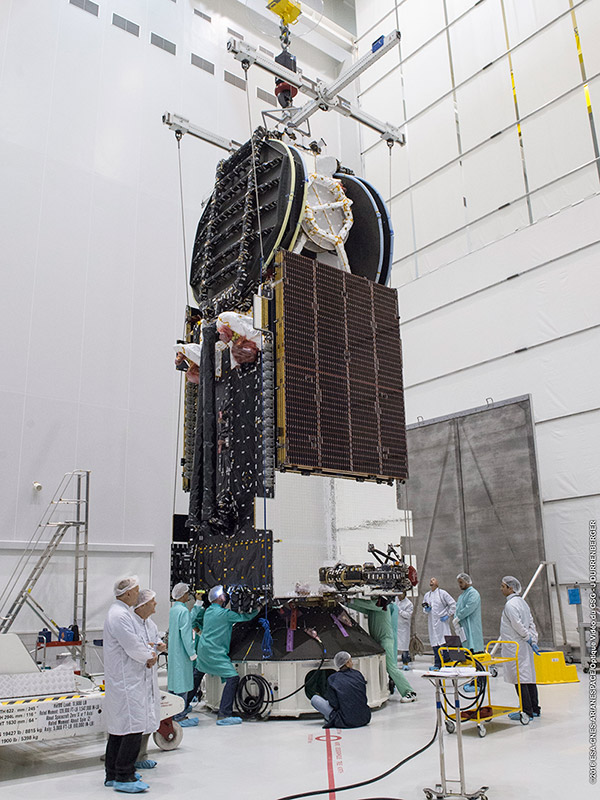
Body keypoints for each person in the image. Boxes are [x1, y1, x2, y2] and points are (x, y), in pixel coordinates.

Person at [103, 576, 156, 794]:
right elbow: (133, 645)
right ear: (127, 594)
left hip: (124, 680)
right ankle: (124, 775)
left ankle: (112, 773)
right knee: (133, 727)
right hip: (127, 682)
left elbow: (136, 641)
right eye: (136, 590)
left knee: (120, 729)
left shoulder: (120, 613)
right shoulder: (120, 615)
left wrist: (147, 650)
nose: (138, 594)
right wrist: (149, 656)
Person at [195, 585, 260, 725]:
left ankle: (181, 709)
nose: (225, 595)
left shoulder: (208, 611)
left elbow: (196, 620)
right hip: (216, 653)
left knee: (197, 675)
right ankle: (224, 714)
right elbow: (245, 616)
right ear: (219, 598)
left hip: (203, 651)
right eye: (223, 594)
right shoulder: (225, 614)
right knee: (233, 678)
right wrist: (258, 609)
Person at [347, 596, 417, 702]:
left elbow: (368, 605)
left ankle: (409, 692)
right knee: (380, 667)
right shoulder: (374, 607)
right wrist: (347, 603)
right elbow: (363, 608)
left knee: (391, 667)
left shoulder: (382, 604)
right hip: (377, 641)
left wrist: (351, 600)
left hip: (385, 640)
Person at [500, 576, 541, 721]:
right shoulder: (522, 603)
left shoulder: (510, 605)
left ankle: (526, 711)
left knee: (520, 678)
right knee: (528, 676)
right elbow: (531, 623)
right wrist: (532, 639)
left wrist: (528, 638)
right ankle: (535, 709)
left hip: (515, 646)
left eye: (503, 586)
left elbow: (517, 625)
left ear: (510, 588)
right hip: (524, 645)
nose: (501, 589)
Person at [133, 590, 165, 771]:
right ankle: (125, 759)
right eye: (153, 601)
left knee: (148, 716)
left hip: (149, 677)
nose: (156, 604)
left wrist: (159, 645)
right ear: (143, 605)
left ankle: (141, 755)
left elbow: (155, 640)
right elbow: (133, 647)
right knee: (133, 719)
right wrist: (148, 651)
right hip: (135, 677)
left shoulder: (150, 624)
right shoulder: (131, 623)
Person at [310, 651, 371, 728]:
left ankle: (330, 719)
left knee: (315, 699)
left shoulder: (332, 679)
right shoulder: (358, 674)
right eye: (351, 661)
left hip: (345, 720)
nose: (352, 663)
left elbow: (334, 704)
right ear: (347, 663)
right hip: (364, 718)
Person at [167, 583, 199, 728]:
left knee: (174, 684)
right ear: (183, 595)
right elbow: (186, 635)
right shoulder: (184, 611)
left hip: (174, 653)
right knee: (182, 685)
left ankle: (172, 713)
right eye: (187, 593)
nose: (188, 596)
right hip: (182, 654)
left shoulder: (174, 610)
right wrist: (192, 653)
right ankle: (180, 716)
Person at [454, 573, 484, 692]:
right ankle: (474, 681)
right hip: (465, 630)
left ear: (467, 581)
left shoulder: (473, 594)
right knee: (471, 659)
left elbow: (469, 608)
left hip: (473, 630)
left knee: (477, 659)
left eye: (461, 582)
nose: (460, 585)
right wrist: (456, 620)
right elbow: (458, 608)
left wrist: (458, 617)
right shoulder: (462, 596)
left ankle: (479, 683)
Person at [422, 577, 456, 670]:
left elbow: (453, 604)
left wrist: (448, 615)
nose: (431, 580)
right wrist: (426, 609)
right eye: (430, 580)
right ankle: (437, 664)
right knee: (435, 643)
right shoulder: (427, 595)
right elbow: (424, 608)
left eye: (433, 579)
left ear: (437, 583)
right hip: (432, 623)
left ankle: (447, 662)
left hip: (442, 622)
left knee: (444, 642)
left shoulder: (442, 593)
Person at [395, 592, 414, 670]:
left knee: (404, 647)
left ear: (405, 594)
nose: (399, 595)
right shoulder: (395, 600)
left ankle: (405, 663)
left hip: (404, 628)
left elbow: (408, 615)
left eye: (401, 594)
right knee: (394, 646)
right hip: (395, 626)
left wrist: (400, 611)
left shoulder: (409, 604)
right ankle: (393, 663)